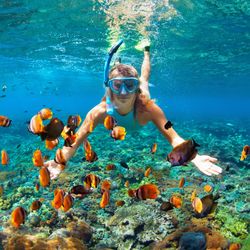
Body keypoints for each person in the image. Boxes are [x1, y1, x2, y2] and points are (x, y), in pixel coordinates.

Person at [45, 40, 222, 179]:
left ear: (136, 89)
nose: (123, 92)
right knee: (124, 72)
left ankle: (146, 51)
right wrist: (59, 161)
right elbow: (75, 141)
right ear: (110, 87)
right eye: (117, 85)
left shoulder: (151, 109)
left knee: (144, 77)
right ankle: (118, 61)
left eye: (130, 85)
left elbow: (173, 135)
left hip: (143, 94)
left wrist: (193, 156)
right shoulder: (99, 112)